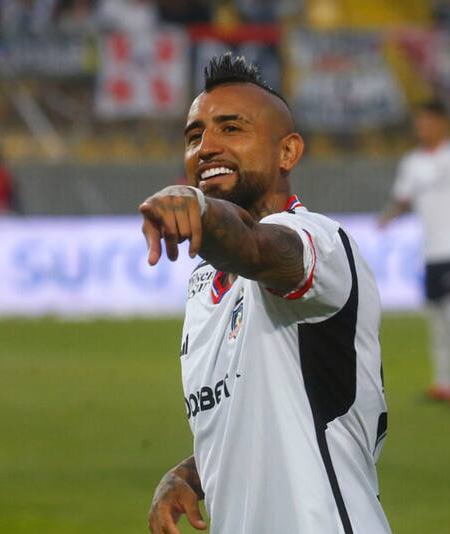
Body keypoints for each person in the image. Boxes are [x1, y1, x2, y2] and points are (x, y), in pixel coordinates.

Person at [142, 53, 390, 534]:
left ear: (288, 153)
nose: (206, 147)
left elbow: (257, 246)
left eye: (231, 129)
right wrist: (192, 474)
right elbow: (263, 416)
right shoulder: (204, 284)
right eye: (195, 136)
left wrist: (199, 209)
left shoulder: (317, 242)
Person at [379, 99, 450, 402]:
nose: (421, 128)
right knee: (437, 317)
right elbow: (403, 199)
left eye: (426, 121)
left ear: (442, 123)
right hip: (430, 251)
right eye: (418, 122)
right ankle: (442, 382)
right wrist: (388, 218)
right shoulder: (412, 163)